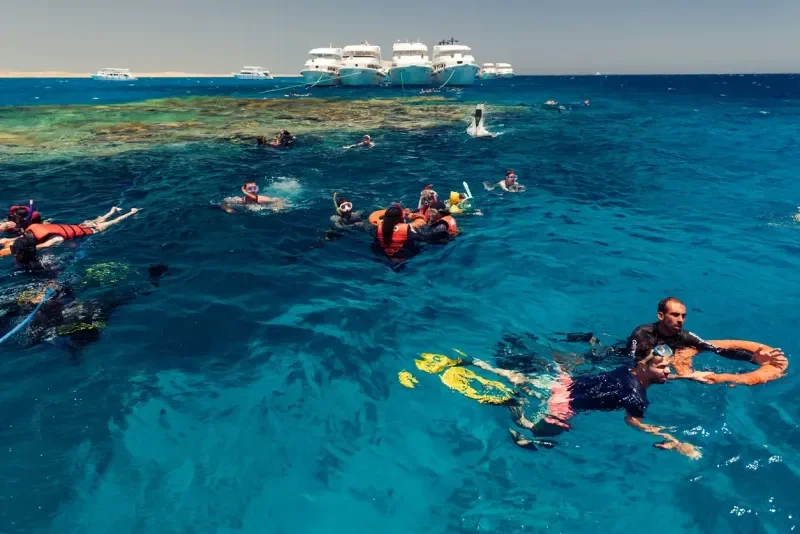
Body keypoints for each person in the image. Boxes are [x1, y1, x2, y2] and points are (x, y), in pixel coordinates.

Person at [468, 341, 703, 459]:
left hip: (564, 382)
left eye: (668, 369)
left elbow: (652, 376)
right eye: (663, 367)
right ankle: (515, 411)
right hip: (564, 406)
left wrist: (689, 376)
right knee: (535, 435)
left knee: (515, 377)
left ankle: (477, 363)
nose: (667, 372)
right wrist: (673, 440)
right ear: (644, 367)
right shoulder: (636, 399)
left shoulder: (627, 370)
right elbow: (633, 422)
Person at [626, 297, 785, 375]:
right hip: (620, 359)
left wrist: (752, 359)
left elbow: (717, 350)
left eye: (683, 315)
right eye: (675, 315)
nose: (681, 320)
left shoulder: (684, 336)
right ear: (661, 316)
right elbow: (632, 362)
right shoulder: (642, 334)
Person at [0, 207, 140, 266]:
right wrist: (9, 241)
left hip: (90, 230)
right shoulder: (34, 229)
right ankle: (113, 209)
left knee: (113, 221)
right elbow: (25, 238)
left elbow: (56, 240)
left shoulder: (45, 235)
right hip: (80, 226)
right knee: (100, 219)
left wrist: (35, 247)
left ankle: (131, 212)